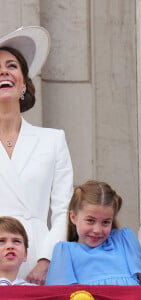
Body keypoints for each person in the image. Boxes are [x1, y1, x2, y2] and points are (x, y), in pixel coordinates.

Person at [0, 26, 73, 285]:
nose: (4, 71)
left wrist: (46, 259)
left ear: (23, 84)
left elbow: (64, 210)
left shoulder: (52, 140)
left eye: (12, 66)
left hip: (38, 257)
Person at [45, 180, 141, 286]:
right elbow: (59, 294)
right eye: (90, 221)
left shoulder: (124, 240)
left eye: (105, 222)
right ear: (73, 217)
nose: (97, 230)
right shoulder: (65, 252)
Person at [0, 216, 35, 285]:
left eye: (16, 241)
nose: (10, 246)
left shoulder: (35, 291)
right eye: (1, 241)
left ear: (25, 254)